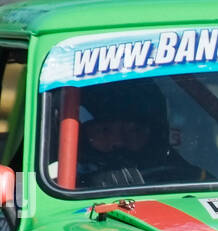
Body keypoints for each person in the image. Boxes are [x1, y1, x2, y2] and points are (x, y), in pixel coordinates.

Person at [75, 78, 210, 188]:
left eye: (134, 130)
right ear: (82, 134)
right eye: (104, 131)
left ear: (154, 134)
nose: (119, 141)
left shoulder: (191, 178)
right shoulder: (61, 179)